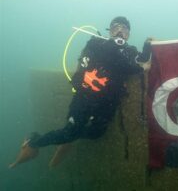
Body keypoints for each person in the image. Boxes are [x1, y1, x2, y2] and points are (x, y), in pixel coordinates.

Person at [9, 16, 152, 169]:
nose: (119, 31)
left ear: (129, 34)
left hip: (108, 101)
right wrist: (137, 65)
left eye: (124, 29)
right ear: (109, 31)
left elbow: (141, 60)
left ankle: (73, 136)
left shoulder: (130, 51)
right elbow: (124, 64)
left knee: (97, 133)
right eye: (115, 27)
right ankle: (33, 141)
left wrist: (148, 46)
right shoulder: (97, 43)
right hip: (86, 96)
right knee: (69, 132)